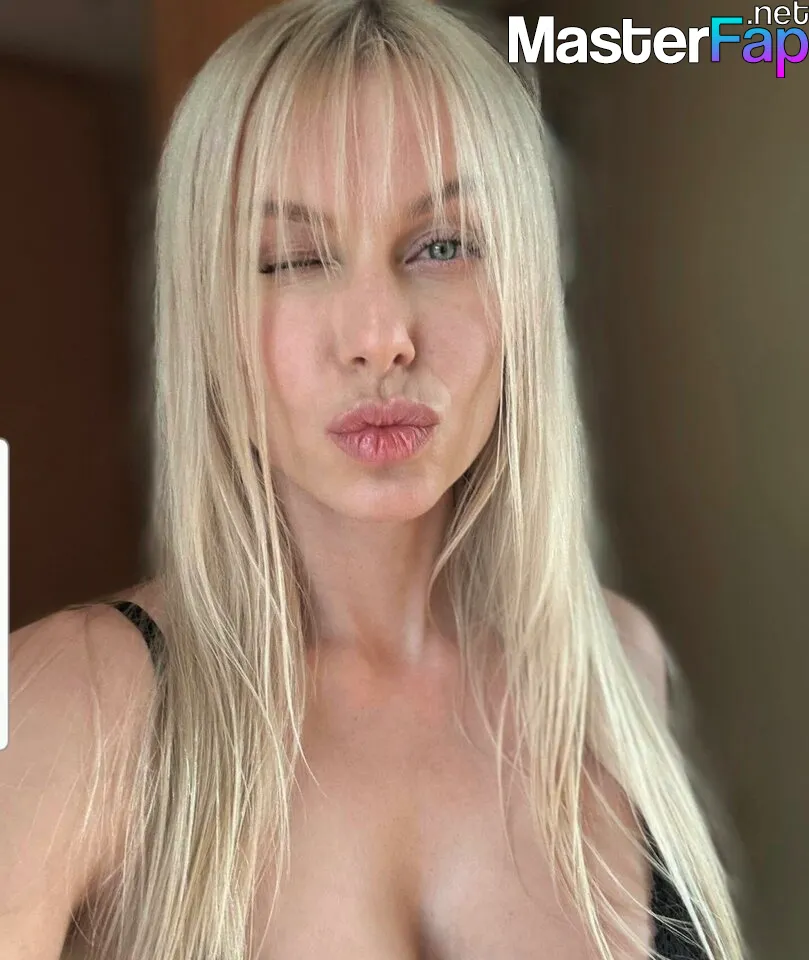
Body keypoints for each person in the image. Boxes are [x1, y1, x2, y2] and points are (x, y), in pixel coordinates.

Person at [2, 1, 747, 958]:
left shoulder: (615, 668)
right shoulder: (66, 708)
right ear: (205, 314)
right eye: (294, 258)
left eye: (443, 245)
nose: (379, 337)